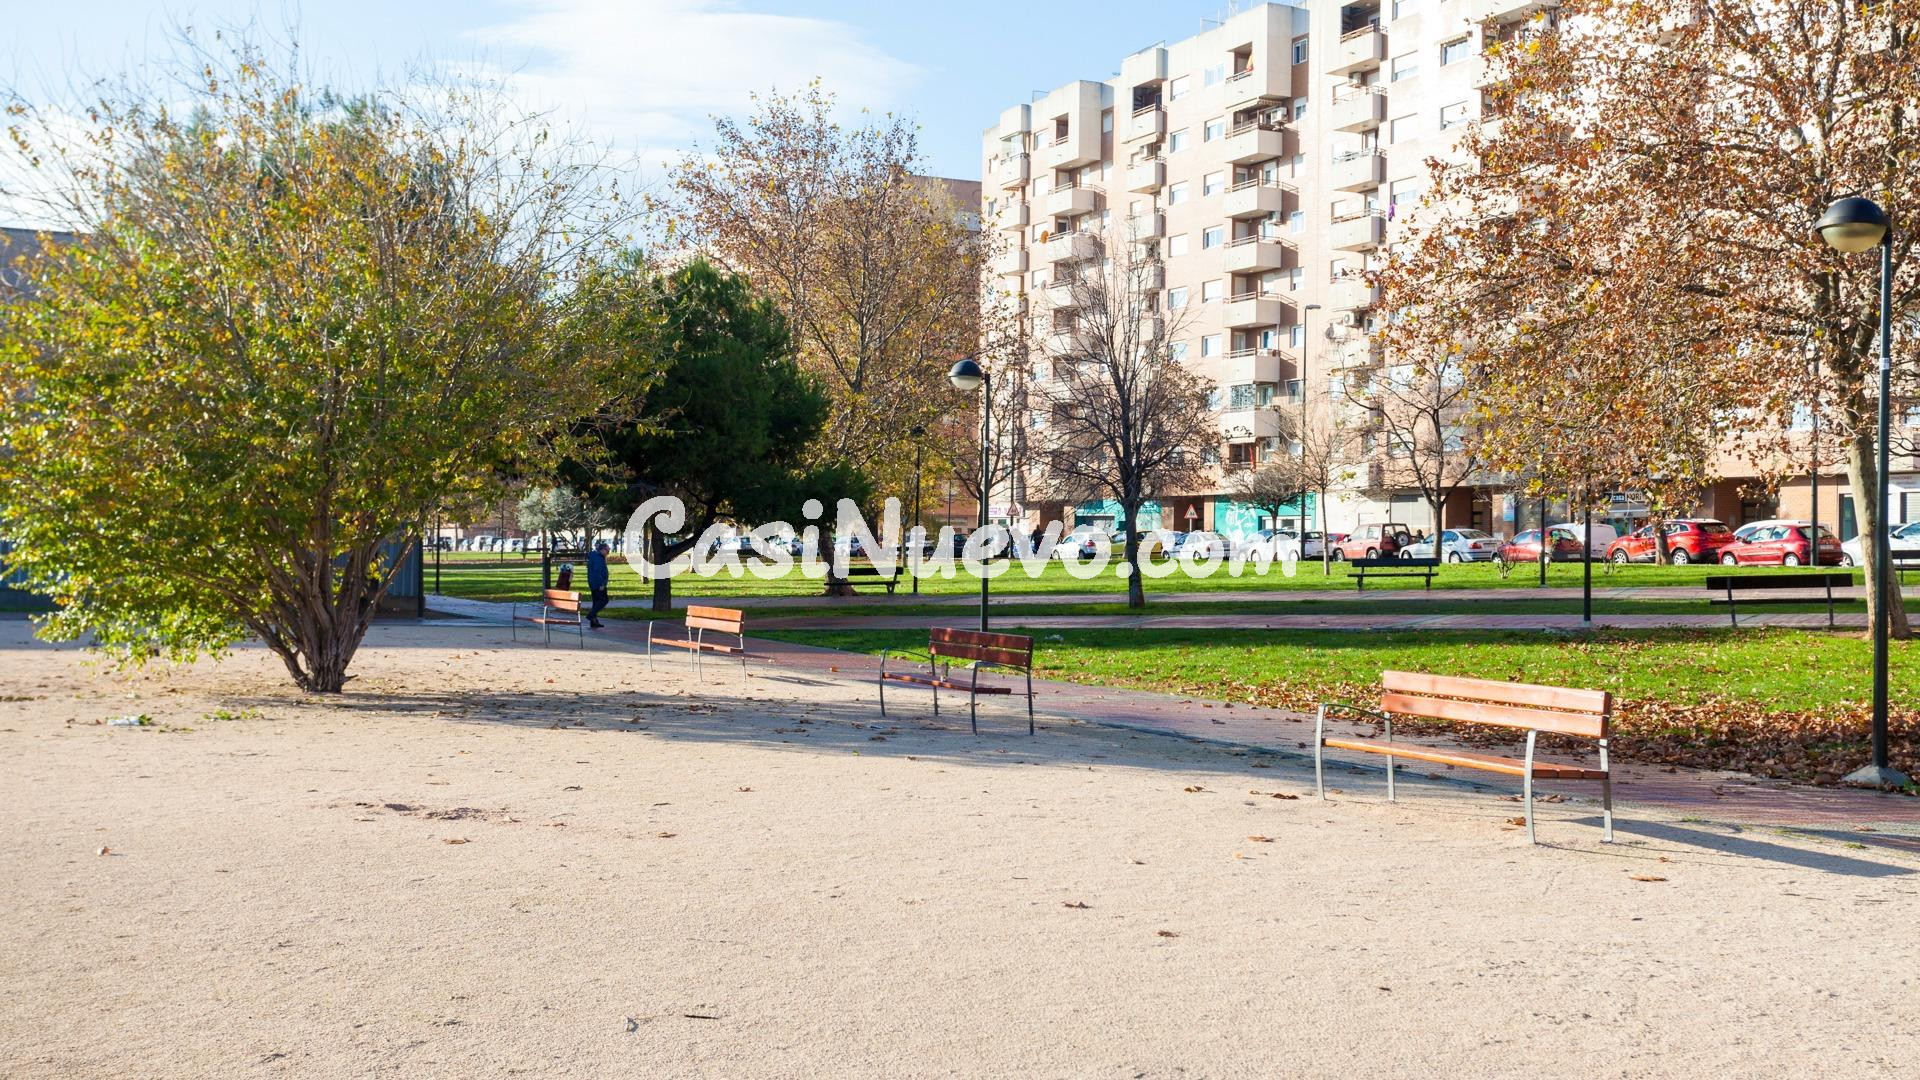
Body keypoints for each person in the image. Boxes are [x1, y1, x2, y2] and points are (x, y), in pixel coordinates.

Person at [586, 540, 610, 629]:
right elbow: (597, 572)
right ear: (602, 550)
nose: (608, 552)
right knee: (604, 600)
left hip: (593, 583)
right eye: (607, 550)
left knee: (596, 602)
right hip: (598, 584)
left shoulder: (595, 556)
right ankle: (591, 615)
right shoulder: (598, 558)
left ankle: (594, 622)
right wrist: (601, 584)